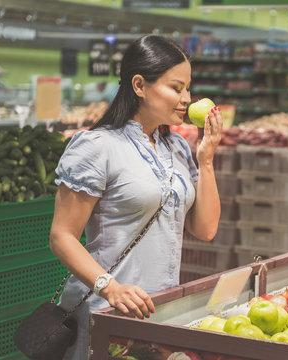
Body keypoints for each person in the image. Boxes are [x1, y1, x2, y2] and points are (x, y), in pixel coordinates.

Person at [49, 34, 222, 360]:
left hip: (158, 314)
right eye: (176, 88)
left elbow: (206, 229)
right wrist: (110, 287)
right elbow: (61, 236)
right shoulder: (97, 147)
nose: (186, 98)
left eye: (188, 88)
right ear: (139, 85)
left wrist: (207, 159)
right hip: (105, 312)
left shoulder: (178, 148)